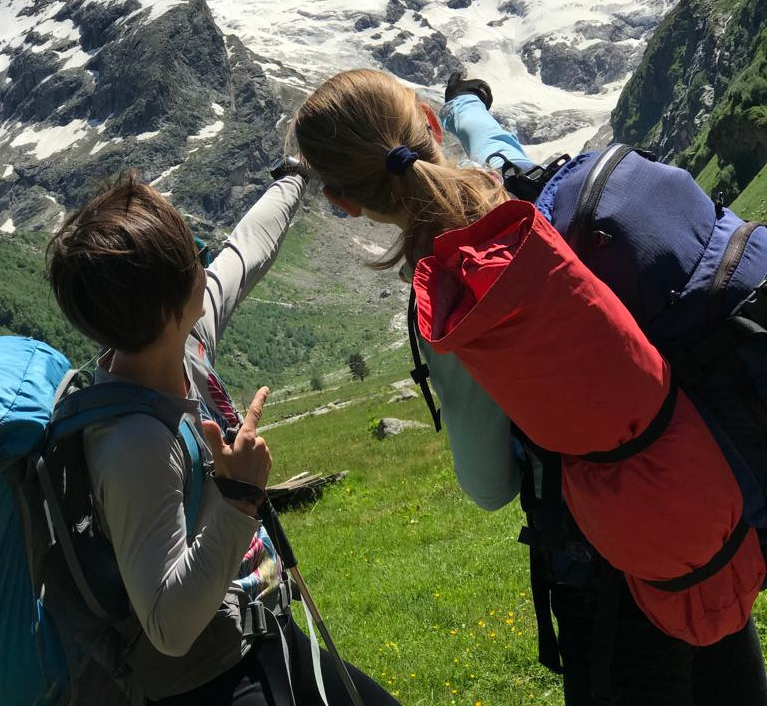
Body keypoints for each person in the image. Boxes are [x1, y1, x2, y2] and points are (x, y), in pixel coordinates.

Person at [291, 68, 767, 706]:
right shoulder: (546, 190)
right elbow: (492, 142)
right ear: (429, 126)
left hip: (610, 563)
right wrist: (466, 101)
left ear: (343, 201)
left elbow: (489, 487)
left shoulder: (455, 304)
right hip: (719, 497)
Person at [46, 166, 401, 706]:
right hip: (210, 681)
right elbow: (168, 625)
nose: (205, 257)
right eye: (194, 254)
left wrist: (294, 177)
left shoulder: (177, 341)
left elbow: (245, 251)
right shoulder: (133, 444)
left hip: (263, 638)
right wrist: (238, 500)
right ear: (171, 300)